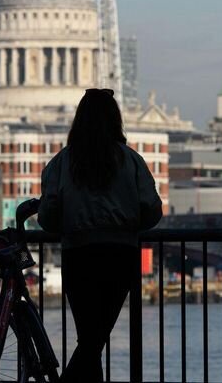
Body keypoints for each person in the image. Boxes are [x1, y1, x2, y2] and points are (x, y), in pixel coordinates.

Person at [37, 88, 162, 382]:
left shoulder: (62, 162)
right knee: (94, 340)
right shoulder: (131, 160)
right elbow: (152, 210)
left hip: (77, 254)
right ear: (115, 120)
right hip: (120, 254)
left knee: (89, 337)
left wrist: (69, 223)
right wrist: (129, 223)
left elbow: (47, 216)